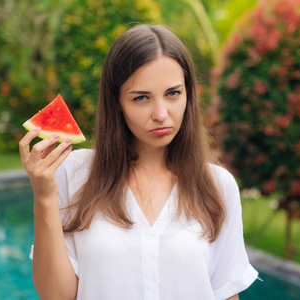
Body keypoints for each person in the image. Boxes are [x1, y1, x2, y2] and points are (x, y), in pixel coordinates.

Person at [19, 24, 258, 300]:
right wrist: (44, 197)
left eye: (173, 94)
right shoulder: (74, 172)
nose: (160, 114)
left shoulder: (219, 186)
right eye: (141, 98)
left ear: (189, 94)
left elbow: (226, 294)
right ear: (117, 102)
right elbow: (56, 296)